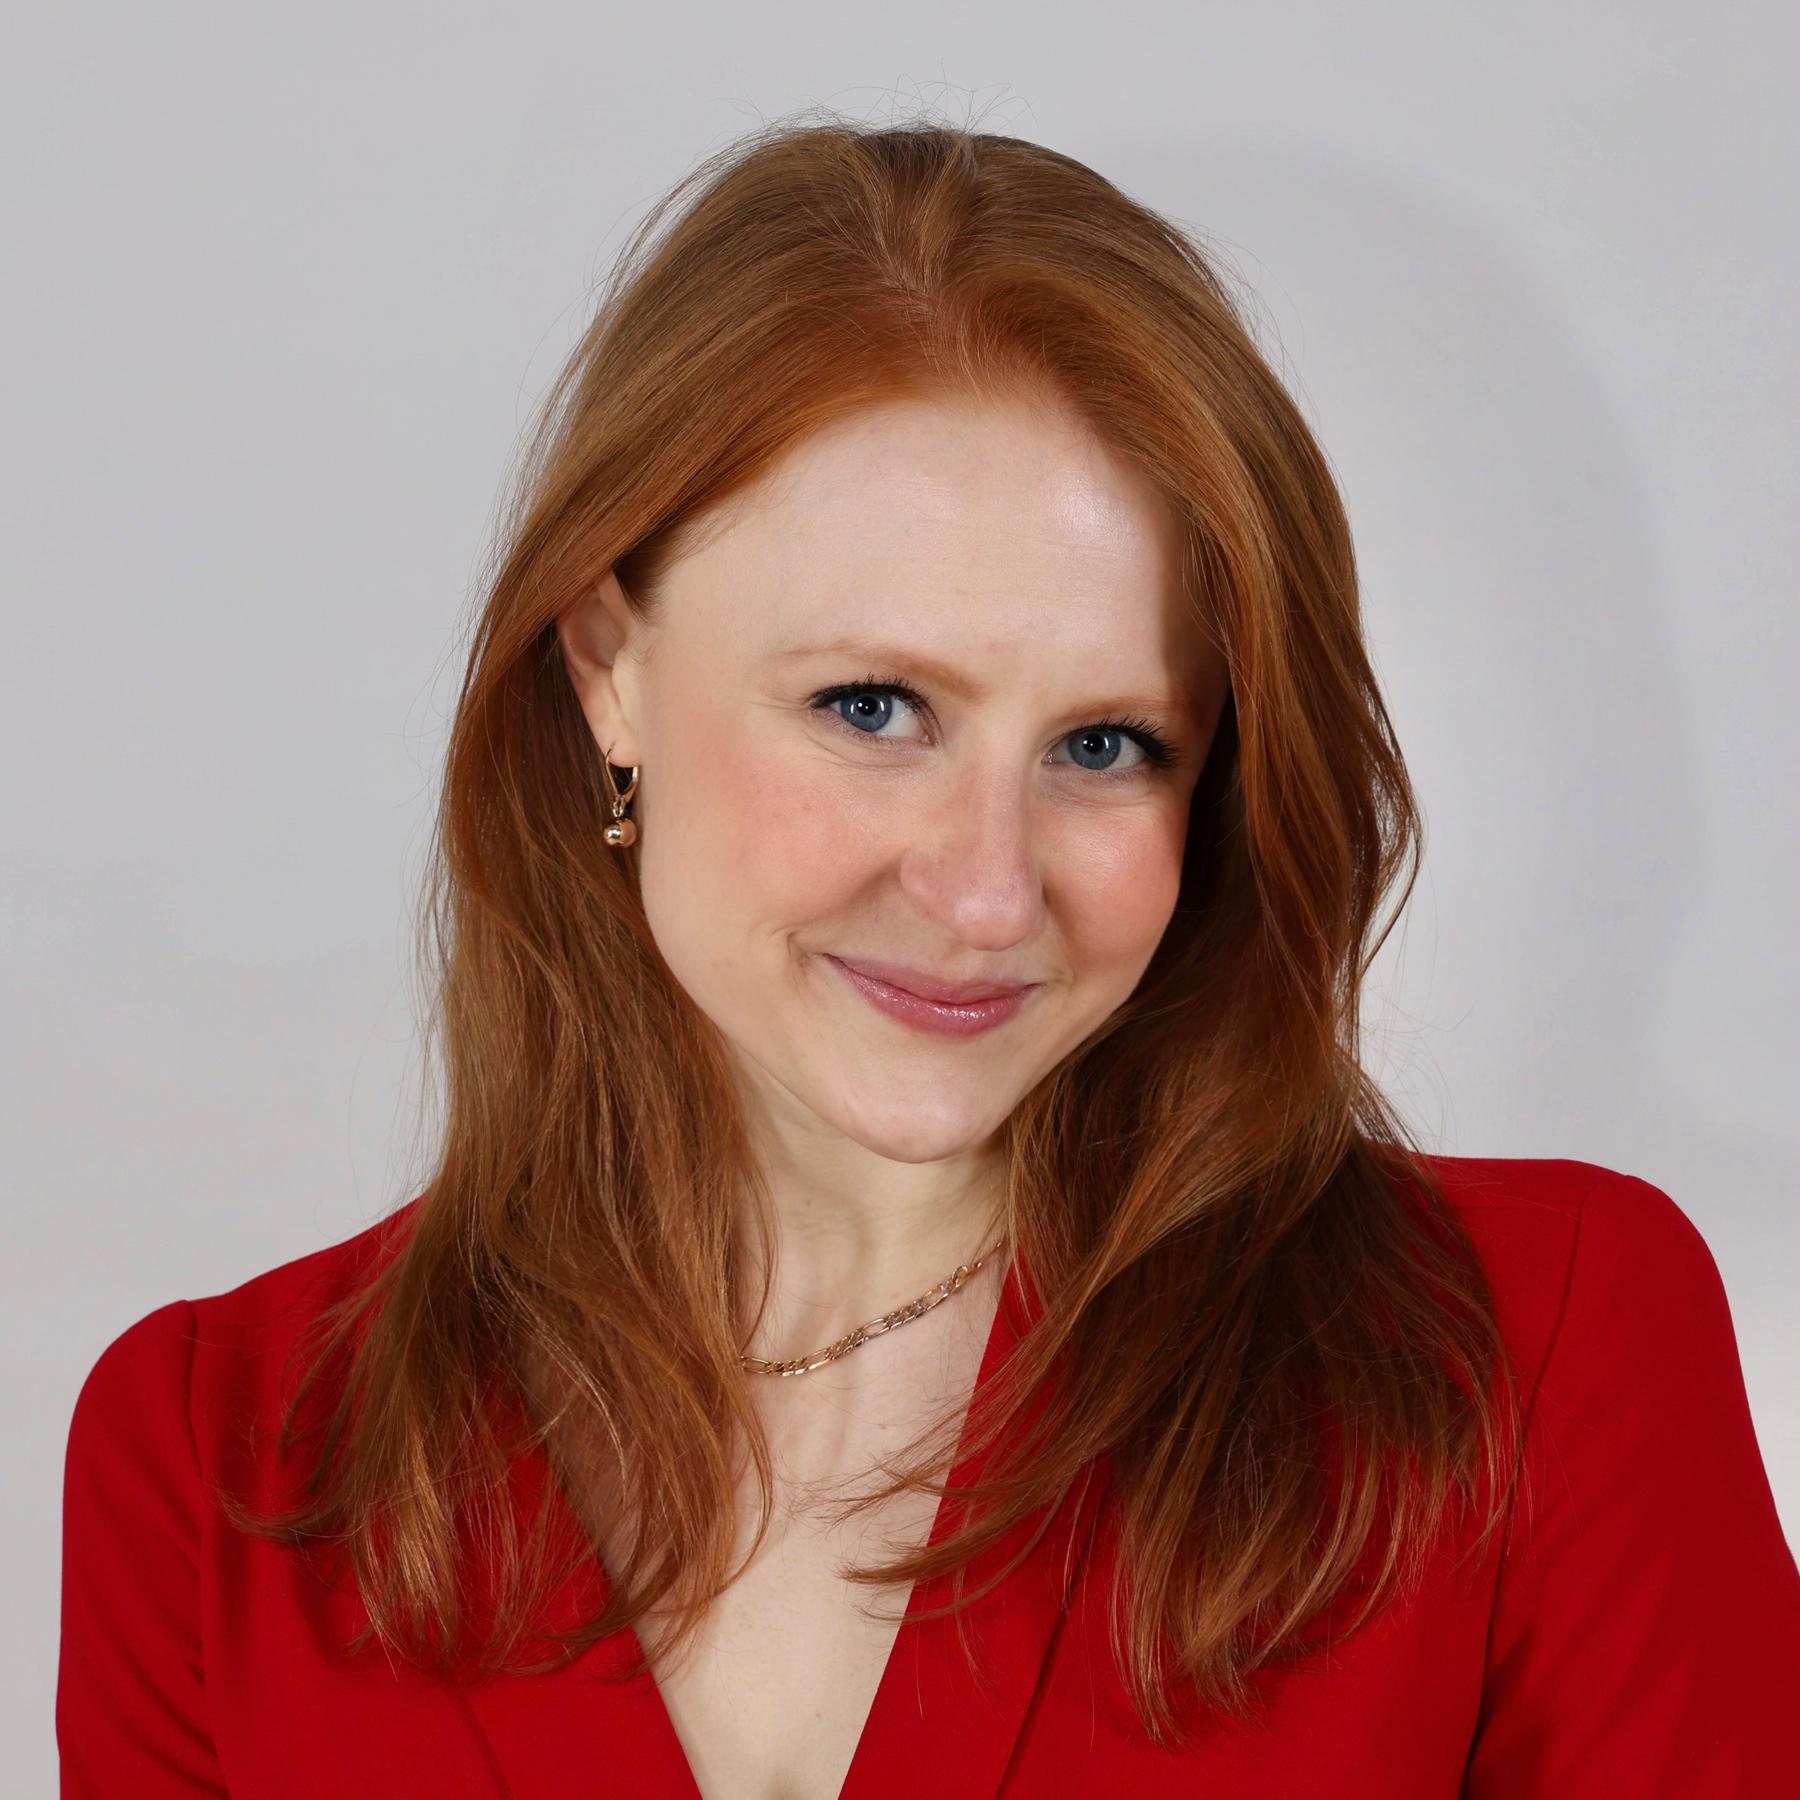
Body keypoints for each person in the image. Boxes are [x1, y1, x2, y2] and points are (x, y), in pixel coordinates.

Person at [58, 116, 1800, 1799]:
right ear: (607, 668)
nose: (984, 893)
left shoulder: (1534, 1359)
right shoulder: (216, 1467)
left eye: (1107, 744)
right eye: (874, 708)